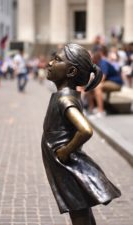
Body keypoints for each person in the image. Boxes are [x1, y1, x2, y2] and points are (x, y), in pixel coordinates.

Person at [42, 43, 121, 225]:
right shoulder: (64, 95)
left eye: (57, 59)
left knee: (78, 211)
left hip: (67, 165)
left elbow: (85, 130)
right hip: (63, 165)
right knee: (80, 209)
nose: (50, 63)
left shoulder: (64, 99)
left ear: (70, 72)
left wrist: (66, 151)